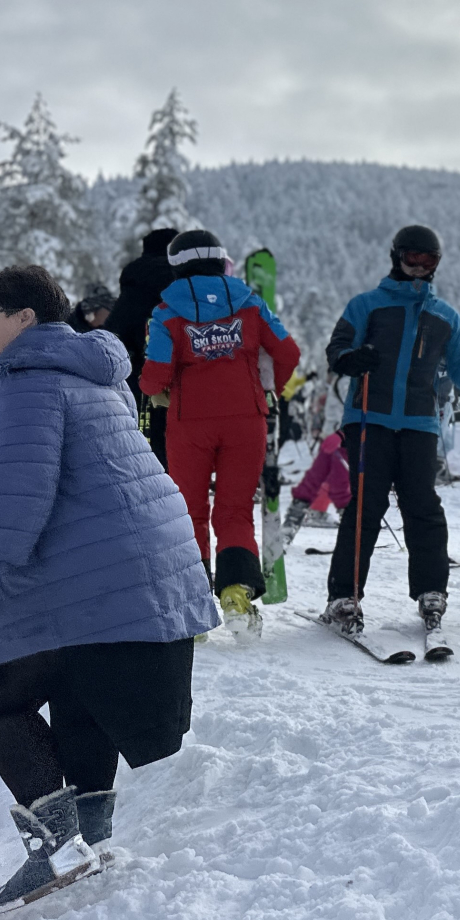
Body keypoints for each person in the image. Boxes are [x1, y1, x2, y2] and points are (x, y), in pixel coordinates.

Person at [0, 264, 215, 912]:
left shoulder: (23, 381)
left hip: (99, 574)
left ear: (24, 319)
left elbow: (18, 497)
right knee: (73, 681)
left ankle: (58, 847)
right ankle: (91, 835)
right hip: (145, 573)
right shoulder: (94, 373)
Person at [323, 225, 460, 638]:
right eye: (411, 259)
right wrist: (352, 359)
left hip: (420, 422)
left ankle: (431, 590)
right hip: (369, 419)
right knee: (366, 507)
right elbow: (337, 348)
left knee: (423, 505)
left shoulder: (445, 317)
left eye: (428, 260)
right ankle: (344, 595)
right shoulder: (366, 305)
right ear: (396, 257)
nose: (419, 268)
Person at [139, 230, 301, 627]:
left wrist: (151, 384)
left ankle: (192, 608)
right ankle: (236, 596)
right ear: (220, 260)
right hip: (246, 419)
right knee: (235, 510)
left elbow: (154, 378)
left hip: (189, 424)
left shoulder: (165, 313)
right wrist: (270, 390)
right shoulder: (251, 303)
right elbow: (288, 351)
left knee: (189, 511)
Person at [105, 227, 181, 469]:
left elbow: (116, 326)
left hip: (134, 369)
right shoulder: (181, 282)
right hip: (177, 370)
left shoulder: (133, 280)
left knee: (139, 435)